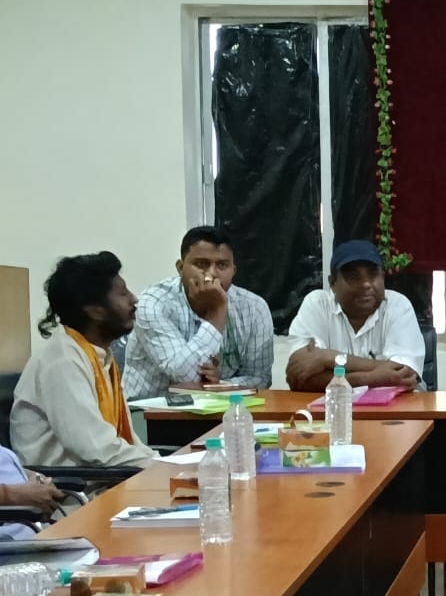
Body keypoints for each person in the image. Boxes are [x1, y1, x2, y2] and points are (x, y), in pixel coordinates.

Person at [11, 252, 156, 468]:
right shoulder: (62, 360)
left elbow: (125, 442)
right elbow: (96, 449)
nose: (134, 300)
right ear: (94, 310)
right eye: (123, 294)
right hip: (70, 486)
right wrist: (161, 466)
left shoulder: (99, 355)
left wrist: (164, 463)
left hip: (103, 477)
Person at [123, 226, 274, 399]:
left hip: (220, 406)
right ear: (180, 268)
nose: (212, 274)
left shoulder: (254, 308)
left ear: (234, 271)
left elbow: (260, 379)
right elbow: (184, 376)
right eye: (201, 264)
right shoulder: (153, 302)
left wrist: (219, 384)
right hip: (148, 409)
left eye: (222, 265)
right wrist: (217, 313)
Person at [285, 240, 424, 391]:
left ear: (383, 277)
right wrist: (374, 378)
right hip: (334, 405)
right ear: (332, 283)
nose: (366, 284)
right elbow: (299, 378)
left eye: (373, 274)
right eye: (353, 277)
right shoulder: (317, 304)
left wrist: (329, 358)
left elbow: (404, 374)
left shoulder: (398, 306)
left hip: (395, 405)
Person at [0, 446, 60, 541]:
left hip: (39, 531)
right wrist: (14, 494)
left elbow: (11, 468)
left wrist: (38, 478)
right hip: (11, 540)